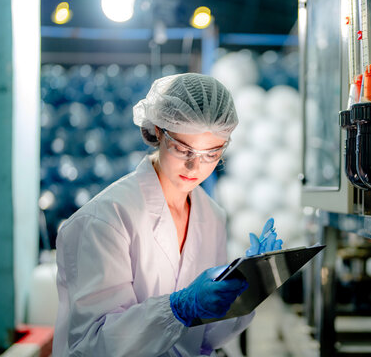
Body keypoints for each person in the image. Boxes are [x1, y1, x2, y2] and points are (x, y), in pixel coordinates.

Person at [53, 73, 283, 356]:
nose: (194, 166)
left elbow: (208, 337)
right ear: (159, 131)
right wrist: (178, 308)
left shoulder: (211, 216)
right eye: (183, 148)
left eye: (211, 154)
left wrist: (245, 290)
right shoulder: (105, 220)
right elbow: (93, 346)